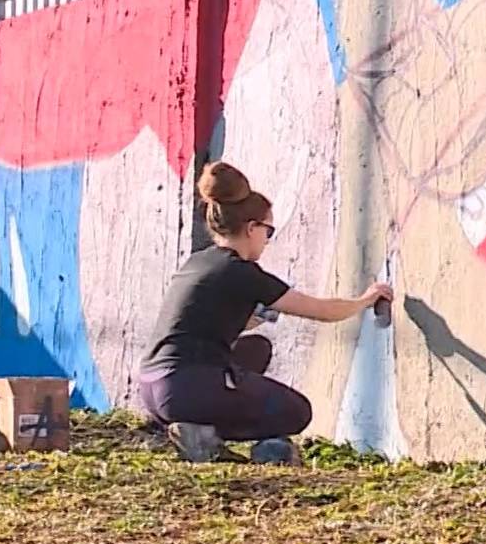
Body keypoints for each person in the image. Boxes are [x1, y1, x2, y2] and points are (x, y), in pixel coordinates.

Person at [137, 161, 392, 464]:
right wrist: (366, 299)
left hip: (153, 387)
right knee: (297, 411)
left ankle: (197, 429)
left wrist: (247, 322)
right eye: (268, 231)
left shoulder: (199, 262)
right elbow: (323, 311)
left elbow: (196, 324)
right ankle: (212, 437)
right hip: (185, 389)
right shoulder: (243, 273)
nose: (268, 240)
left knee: (256, 349)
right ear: (251, 228)